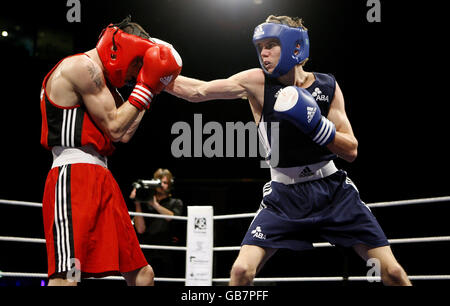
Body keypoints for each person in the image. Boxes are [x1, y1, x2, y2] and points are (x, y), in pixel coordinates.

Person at [165, 15, 412, 286]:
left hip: (333, 192)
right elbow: (197, 91)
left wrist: (318, 126)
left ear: (295, 47)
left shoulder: (326, 86)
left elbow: (351, 150)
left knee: (393, 273)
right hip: (284, 196)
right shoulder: (257, 82)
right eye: (260, 46)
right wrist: (153, 75)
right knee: (240, 272)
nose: (264, 53)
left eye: (271, 44)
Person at [40, 16, 182, 286]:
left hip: (103, 177)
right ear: (122, 49)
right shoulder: (81, 66)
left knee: (143, 275)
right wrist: (146, 86)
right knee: (68, 275)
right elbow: (117, 128)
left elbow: (125, 133)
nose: (134, 74)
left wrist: (149, 88)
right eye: (138, 64)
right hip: (72, 177)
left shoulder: (105, 86)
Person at [130, 168, 184, 277]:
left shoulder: (176, 202)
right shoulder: (144, 203)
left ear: (170, 184)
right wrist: (137, 202)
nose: (162, 185)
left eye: (165, 182)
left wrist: (154, 204)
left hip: (167, 252)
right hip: (147, 250)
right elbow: (140, 229)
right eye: (159, 182)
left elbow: (173, 218)